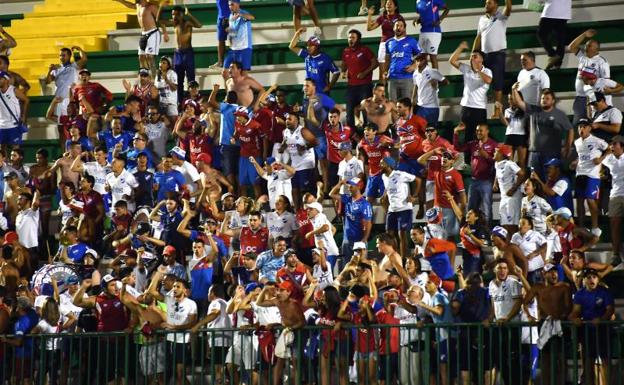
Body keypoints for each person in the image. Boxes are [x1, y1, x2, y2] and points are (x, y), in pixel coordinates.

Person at [523, 263, 572, 385]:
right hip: (544, 324)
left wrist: (561, 318)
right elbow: (525, 303)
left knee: (561, 358)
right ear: (543, 274)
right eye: (550, 272)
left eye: (555, 272)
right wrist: (530, 317)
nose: (554, 274)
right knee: (545, 358)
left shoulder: (564, 287)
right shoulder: (537, 288)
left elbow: (568, 307)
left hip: (561, 324)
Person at [511, 85, 574, 179]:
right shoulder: (533, 110)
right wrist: (514, 90)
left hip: (551, 153)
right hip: (534, 153)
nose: (544, 100)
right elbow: (518, 102)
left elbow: (570, 129)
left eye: (547, 98)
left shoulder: (559, 114)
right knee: (534, 179)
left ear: (553, 101)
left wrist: (568, 146)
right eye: (542, 98)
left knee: (549, 180)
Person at [148, 277, 198, 385]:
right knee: (170, 373)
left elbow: (192, 323)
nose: (175, 288)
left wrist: (174, 327)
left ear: (185, 290)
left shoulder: (191, 304)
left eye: (178, 287)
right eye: (174, 286)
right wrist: (158, 274)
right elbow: (152, 291)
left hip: (182, 342)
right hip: (169, 341)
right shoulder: (168, 300)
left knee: (180, 373)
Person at [569, 268, 614, 385]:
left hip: (603, 330)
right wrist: (575, 318)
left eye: (594, 277)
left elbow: (610, 310)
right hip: (587, 331)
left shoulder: (604, 292)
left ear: (598, 279)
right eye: (588, 277)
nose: (592, 279)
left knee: (605, 360)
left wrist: (602, 319)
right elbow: (576, 311)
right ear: (584, 280)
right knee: (588, 362)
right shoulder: (580, 294)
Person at [256, 281, 306, 385]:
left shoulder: (294, 304)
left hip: (297, 333)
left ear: (288, 292)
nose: (279, 292)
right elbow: (259, 303)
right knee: (279, 361)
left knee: (296, 362)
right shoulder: (277, 301)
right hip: (286, 332)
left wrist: (291, 328)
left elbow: (302, 322)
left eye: (282, 290)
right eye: (278, 290)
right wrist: (265, 289)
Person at [473, 0, 512, 117]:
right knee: (480, 82)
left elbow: (509, 7)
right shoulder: (481, 19)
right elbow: (478, 38)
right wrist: (473, 54)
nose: (486, 5)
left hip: (498, 55)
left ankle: (497, 112)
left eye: (489, 3)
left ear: (496, 5)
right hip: (484, 55)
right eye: (486, 3)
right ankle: (478, 110)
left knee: (497, 85)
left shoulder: (501, 17)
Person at [453, 123, 497, 226]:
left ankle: (487, 232)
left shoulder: (493, 144)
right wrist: (455, 133)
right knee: (471, 209)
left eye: (481, 130)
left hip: (487, 181)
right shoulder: (473, 144)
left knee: (486, 209)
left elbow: (496, 163)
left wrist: (485, 155)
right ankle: (471, 232)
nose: (478, 132)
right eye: (477, 130)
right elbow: (458, 148)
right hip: (474, 181)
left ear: (487, 131)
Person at [571, 118, 609, 236]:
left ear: (589, 128)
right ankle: (581, 227)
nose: (581, 129)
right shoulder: (577, 142)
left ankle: (595, 227)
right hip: (580, 173)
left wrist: (601, 159)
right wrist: (575, 162)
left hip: (592, 174)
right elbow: (582, 156)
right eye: (579, 126)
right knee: (580, 201)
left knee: (590, 200)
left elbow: (609, 149)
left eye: (584, 126)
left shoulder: (597, 140)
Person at [449, 41, 492, 143]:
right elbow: (452, 60)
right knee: (467, 136)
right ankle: (468, 159)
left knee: (480, 136)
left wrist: (478, 70)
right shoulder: (466, 68)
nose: (472, 58)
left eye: (475, 56)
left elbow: (488, 80)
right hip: (466, 107)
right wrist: (460, 47)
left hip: (480, 108)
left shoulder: (487, 71)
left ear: (481, 59)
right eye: (471, 56)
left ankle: (480, 158)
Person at [488, 259, 523, 385]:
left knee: (513, 359)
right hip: (499, 325)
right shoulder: (491, 284)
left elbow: (519, 302)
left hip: (512, 325)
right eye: (500, 268)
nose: (502, 270)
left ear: (508, 270)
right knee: (500, 358)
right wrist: (490, 318)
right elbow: (494, 305)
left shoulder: (513, 282)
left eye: (504, 268)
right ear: (495, 270)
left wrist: (507, 318)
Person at [568, 29, 610, 125]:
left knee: (595, 128)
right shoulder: (583, 58)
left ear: (597, 49)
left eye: (589, 46)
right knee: (578, 127)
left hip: (593, 99)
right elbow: (571, 47)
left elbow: (606, 83)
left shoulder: (602, 62)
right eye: (586, 45)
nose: (586, 47)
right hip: (580, 98)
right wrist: (584, 35)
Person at [161, 6, 202, 105]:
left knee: (191, 79)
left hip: (188, 53)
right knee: (178, 81)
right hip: (178, 54)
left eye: (176, 14)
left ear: (182, 14)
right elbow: (159, 21)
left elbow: (199, 25)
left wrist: (189, 15)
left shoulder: (187, 23)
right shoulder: (175, 23)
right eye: (172, 14)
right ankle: (180, 102)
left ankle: (193, 101)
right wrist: (160, 7)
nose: (174, 17)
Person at [380, 156, 417, 258]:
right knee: (389, 235)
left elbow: (417, 180)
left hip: (404, 208)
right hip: (392, 209)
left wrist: (414, 196)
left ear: (388, 165)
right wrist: (384, 196)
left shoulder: (400, 174)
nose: (380, 165)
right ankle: (394, 257)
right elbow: (388, 187)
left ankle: (403, 259)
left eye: (382, 163)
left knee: (402, 235)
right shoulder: (384, 176)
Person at [114, 0, 164, 76]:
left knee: (150, 57)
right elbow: (130, 5)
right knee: (141, 57)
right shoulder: (138, 6)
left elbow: (160, 19)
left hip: (153, 33)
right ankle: (145, 77)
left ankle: (155, 79)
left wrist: (165, 32)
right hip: (143, 34)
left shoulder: (150, 6)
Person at [341, 29, 377, 128]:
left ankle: (367, 135)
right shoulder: (345, 51)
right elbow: (344, 65)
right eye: (349, 38)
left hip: (364, 86)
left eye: (353, 37)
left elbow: (375, 63)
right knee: (350, 113)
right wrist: (343, 72)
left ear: (358, 39)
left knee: (366, 113)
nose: (350, 40)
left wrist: (365, 73)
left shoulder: (365, 50)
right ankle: (352, 137)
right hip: (351, 86)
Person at [330, 177, 372, 258]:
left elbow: (368, 223)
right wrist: (340, 183)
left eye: (351, 186)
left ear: (359, 187)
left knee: (360, 267)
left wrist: (364, 240)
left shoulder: (365, 204)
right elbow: (331, 194)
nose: (349, 188)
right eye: (349, 185)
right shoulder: (347, 199)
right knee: (346, 266)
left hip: (359, 241)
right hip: (346, 240)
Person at [290, 31, 340, 95]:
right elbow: (291, 47)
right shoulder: (306, 54)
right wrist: (297, 34)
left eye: (311, 45)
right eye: (307, 45)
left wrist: (329, 86)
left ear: (317, 46)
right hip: (308, 92)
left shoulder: (325, 59)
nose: (308, 47)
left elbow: (336, 72)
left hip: (321, 93)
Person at [366, 0, 404, 82]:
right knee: (382, 73)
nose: (388, 5)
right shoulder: (382, 17)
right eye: (387, 3)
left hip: (395, 44)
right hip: (384, 44)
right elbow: (369, 28)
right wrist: (369, 15)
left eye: (390, 3)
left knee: (395, 71)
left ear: (395, 7)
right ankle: (382, 93)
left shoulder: (399, 18)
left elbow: (403, 33)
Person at [384, 19, 421, 100]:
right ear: (393, 28)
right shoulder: (388, 42)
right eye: (397, 25)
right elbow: (387, 59)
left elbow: (421, 56)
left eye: (401, 26)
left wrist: (414, 66)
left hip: (407, 78)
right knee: (392, 105)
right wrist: (385, 71)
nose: (398, 28)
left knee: (406, 105)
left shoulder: (411, 41)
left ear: (404, 28)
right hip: (392, 78)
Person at [44, 47, 87, 117]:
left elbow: (84, 59)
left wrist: (79, 49)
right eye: (60, 55)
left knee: (71, 121)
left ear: (69, 56)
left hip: (70, 100)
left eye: (64, 55)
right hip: (59, 100)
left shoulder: (74, 66)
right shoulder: (56, 69)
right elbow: (47, 81)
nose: (61, 57)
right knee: (59, 122)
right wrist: (49, 70)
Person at [602, 135, 624, 268]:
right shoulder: (609, 159)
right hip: (615, 195)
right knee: (614, 224)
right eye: (611, 144)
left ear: (622, 146)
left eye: (615, 144)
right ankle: (616, 255)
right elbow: (597, 161)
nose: (612, 146)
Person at [358, 123, 393, 203]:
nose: (366, 132)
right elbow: (359, 147)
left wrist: (389, 144)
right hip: (372, 175)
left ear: (375, 132)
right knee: (368, 200)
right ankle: (369, 215)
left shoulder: (383, 139)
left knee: (385, 200)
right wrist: (358, 154)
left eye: (368, 130)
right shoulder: (363, 141)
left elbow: (396, 145)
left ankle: (388, 215)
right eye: (364, 130)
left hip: (383, 174)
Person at [494, 144, 525, 235]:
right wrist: (495, 183)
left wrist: (513, 188)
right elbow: (498, 173)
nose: (494, 152)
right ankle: (508, 244)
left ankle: (514, 243)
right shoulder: (497, 164)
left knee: (512, 225)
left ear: (501, 154)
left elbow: (522, 174)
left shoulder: (509, 164)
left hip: (513, 198)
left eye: (496, 151)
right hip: (504, 197)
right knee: (504, 223)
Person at [411, 53, 448, 127]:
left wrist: (437, 84)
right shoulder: (415, 73)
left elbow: (446, 82)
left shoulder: (432, 71)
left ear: (425, 60)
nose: (418, 62)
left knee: (431, 130)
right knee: (419, 130)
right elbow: (416, 85)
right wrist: (413, 98)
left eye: (420, 60)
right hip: (420, 106)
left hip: (432, 107)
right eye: (417, 60)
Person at [223, 0, 255, 76]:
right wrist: (228, 31)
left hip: (244, 48)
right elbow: (233, 32)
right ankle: (229, 88)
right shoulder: (230, 16)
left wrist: (240, 14)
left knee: (244, 74)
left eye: (232, 5)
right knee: (225, 73)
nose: (230, 7)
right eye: (229, 5)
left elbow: (252, 17)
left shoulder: (243, 13)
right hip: (233, 49)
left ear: (237, 4)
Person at [537, 0, 571, 70]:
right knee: (560, 40)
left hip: (552, 10)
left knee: (541, 34)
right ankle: (557, 64)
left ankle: (553, 55)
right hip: (564, 11)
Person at [414, 0, 449, 69]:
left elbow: (447, 9)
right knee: (421, 57)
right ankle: (424, 78)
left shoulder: (435, 0)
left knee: (432, 57)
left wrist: (439, 20)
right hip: (423, 32)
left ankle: (436, 79)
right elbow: (423, 15)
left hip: (434, 32)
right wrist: (417, 21)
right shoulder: (418, 1)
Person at [0, 71, 28, 147]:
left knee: (15, 149)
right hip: (2, 125)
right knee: (2, 148)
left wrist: (23, 116)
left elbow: (26, 100)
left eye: (0, 78)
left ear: (6, 80)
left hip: (14, 125)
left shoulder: (14, 90)